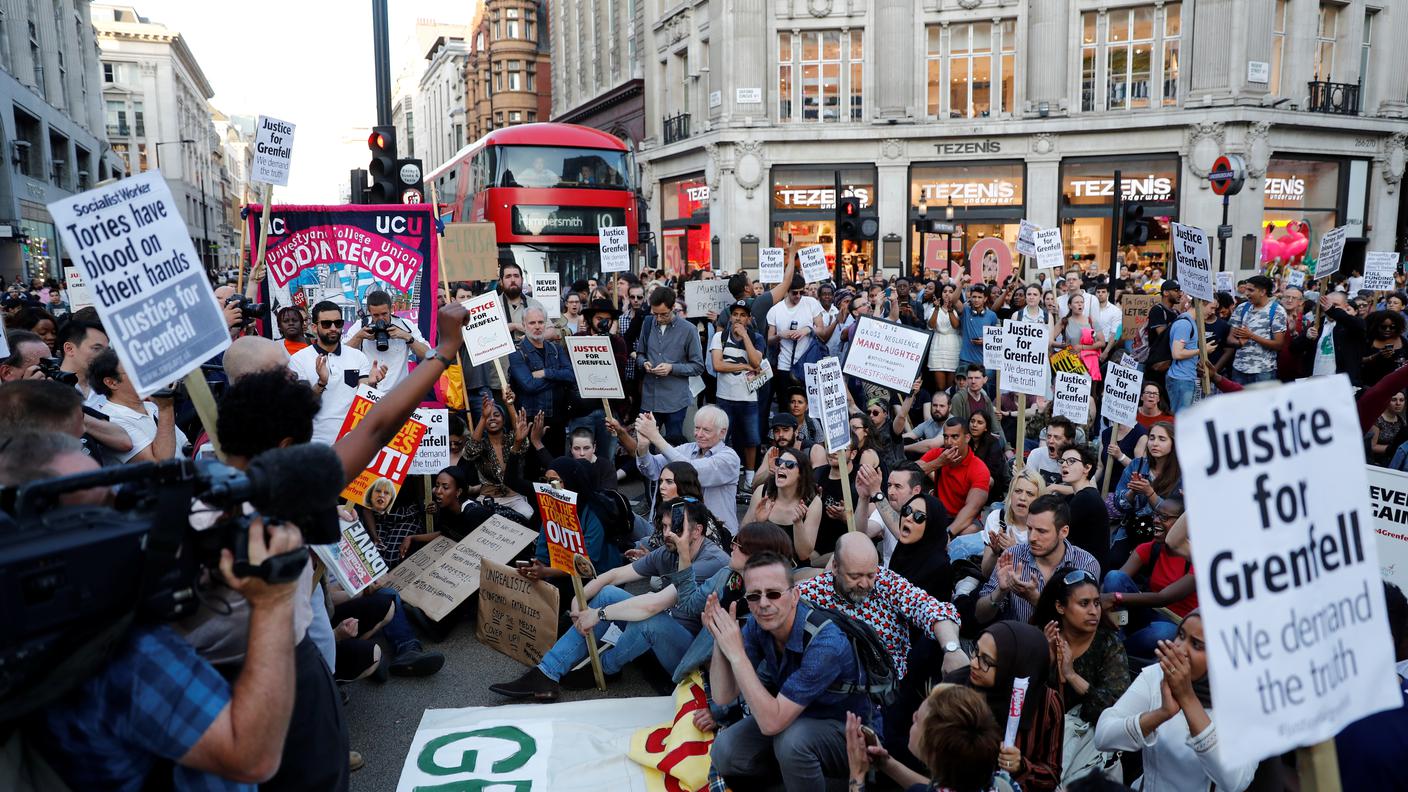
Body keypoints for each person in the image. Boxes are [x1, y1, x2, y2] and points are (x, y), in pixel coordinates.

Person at [27, 507, 305, 789]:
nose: (123, 514)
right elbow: (252, 758)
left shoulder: (45, 623)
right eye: (99, 506)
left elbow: (173, 622)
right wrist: (274, 600)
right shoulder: (130, 653)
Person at [490, 499, 730, 700]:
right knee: (606, 594)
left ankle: (604, 669)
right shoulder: (670, 549)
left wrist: (598, 614)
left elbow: (653, 604)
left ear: (697, 531)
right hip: (664, 628)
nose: (667, 534)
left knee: (647, 619)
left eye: (674, 528)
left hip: (690, 655)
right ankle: (546, 673)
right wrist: (579, 601)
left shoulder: (711, 562)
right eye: (664, 526)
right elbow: (615, 575)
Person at [703, 551, 877, 792]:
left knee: (792, 742)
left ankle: (841, 784)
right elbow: (723, 696)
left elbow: (771, 724)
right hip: (797, 718)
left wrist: (737, 654)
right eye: (754, 596)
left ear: (794, 596)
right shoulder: (758, 624)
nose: (764, 603)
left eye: (773, 594)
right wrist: (720, 637)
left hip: (848, 734)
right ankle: (795, 778)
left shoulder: (826, 643)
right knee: (725, 750)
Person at [1095, 612, 1256, 791]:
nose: (1179, 648)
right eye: (1181, 635)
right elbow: (1103, 736)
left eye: (1196, 644)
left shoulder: (1244, 701)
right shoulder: (1158, 675)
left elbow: (1235, 782)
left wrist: (1187, 698)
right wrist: (1161, 714)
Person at [1032, 569, 1130, 784]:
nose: (1094, 611)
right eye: (1084, 604)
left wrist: (1072, 675)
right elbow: (1021, 695)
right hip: (1041, 735)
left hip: (1089, 740)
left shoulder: (1107, 644)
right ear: (1060, 607)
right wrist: (1045, 660)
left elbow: (1117, 708)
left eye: (1096, 603)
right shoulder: (1041, 636)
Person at [943, 621, 1064, 792]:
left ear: (1015, 667)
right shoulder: (955, 688)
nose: (974, 664)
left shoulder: (1046, 702)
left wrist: (1021, 766)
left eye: (986, 661)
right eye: (975, 651)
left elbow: (1052, 776)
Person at [845, 684, 1017, 792]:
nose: (913, 716)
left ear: (933, 753)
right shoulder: (1002, 784)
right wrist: (886, 764)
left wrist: (857, 776)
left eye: (918, 720)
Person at [976, 495, 1100, 625]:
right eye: (1029, 528)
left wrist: (1036, 599)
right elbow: (980, 616)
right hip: (1019, 641)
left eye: (1041, 531)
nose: (1032, 538)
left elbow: (1082, 624)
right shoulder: (1013, 556)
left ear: (1063, 532)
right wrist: (999, 592)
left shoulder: (1085, 564)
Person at [624, 405, 742, 536]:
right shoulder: (688, 448)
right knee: (623, 515)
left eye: (706, 430)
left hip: (716, 534)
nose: (699, 434)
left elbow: (691, 471)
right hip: (679, 529)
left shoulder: (730, 458)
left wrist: (656, 437)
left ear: (723, 432)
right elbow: (652, 470)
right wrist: (643, 446)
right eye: (697, 428)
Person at [1101, 499, 1196, 658]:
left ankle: (1119, 653)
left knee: (1163, 632)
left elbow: (1163, 598)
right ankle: (1117, 636)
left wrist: (1114, 597)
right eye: (1156, 515)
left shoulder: (1195, 558)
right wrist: (1095, 600)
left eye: (1164, 518)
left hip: (1175, 624)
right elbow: (1115, 581)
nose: (1156, 521)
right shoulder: (1152, 548)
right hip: (1143, 615)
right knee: (1114, 576)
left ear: (1181, 525)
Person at [289, 300, 380, 444]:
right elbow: (301, 406)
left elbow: (364, 397)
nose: (333, 328)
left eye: (338, 323)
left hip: (352, 440)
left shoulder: (357, 356)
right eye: (326, 324)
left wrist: (373, 384)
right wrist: (321, 382)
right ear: (314, 327)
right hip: (315, 442)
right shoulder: (299, 359)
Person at [89, 348, 185, 462]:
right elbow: (161, 464)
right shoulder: (111, 420)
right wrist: (165, 409)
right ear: (112, 382)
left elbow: (186, 447)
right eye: (135, 371)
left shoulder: (152, 406)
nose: (145, 375)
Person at [636, 287, 706, 441]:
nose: (659, 318)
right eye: (655, 314)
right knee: (644, 444)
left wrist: (672, 368)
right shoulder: (647, 324)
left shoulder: (689, 330)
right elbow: (640, 354)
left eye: (664, 314)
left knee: (673, 446)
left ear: (673, 307)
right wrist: (644, 363)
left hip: (675, 401)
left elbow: (698, 366)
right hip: (649, 399)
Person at [919, 417, 991, 560]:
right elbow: (908, 473)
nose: (949, 442)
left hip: (964, 520)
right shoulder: (939, 455)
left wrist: (948, 534)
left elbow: (972, 508)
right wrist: (937, 463)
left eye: (955, 437)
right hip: (939, 514)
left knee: (970, 531)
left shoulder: (979, 468)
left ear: (967, 438)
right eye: (946, 437)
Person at [710, 299, 766, 479]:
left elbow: (756, 362)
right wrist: (743, 366)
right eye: (735, 315)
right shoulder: (719, 337)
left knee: (751, 440)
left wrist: (746, 337)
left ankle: (750, 478)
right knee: (722, 438)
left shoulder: (757, 338)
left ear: (749, 319)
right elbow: (717, 365)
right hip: (724, 398)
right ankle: (722, 473)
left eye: (743, 315)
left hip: (748, 398)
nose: (738, 319)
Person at [507, 306, 574, 454]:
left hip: (557, 420)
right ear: (524, 326)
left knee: (557, 466)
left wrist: (546, 372)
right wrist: (558, 377)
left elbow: (571, 376)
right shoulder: (517, 353)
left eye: (540, 322)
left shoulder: (556, 348)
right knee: (533, 468)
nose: (537, 326)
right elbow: (529, 385)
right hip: (531, 420)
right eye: (532, 323)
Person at [742, 445, 821, 565]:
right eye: (779, 462)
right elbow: (742, 537)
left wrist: (798, 523)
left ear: (801, 473)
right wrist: (758, 523)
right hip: (761, 563)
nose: (782, 466)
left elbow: (804, 554)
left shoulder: (812, 503)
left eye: (789, 464)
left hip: (794, 569)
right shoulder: (762, 492)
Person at [344, 290, 430, 393]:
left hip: (397, 394)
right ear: (369, 312)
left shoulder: (406, 326)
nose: (381, 319)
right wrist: (359, 337)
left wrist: (407, 337)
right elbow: (342, 355)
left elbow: (428, 354)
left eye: (384, 314)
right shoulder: (360, 326)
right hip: (368, 392)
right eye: (375, 315)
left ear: (391, 309)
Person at [463, 395, 534, 519]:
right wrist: (483, 417)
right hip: (488, 499)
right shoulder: (481, 444)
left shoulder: (512, 440)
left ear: (503, 419)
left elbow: (522, 439)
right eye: (488, 416)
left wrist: (509, 405)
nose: (492, 419)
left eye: (496, 415)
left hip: (514, 498)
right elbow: (470, 450)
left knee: (528, 514)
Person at [766, 273, 827, 406]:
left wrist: (807, 330)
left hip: (808, 363)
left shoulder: (811, 303)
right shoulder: (775, 310)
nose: (798, 296)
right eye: (794, 293)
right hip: (785, 366)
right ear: (787, 290)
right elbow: (769, 340)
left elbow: (822, 329)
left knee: (809, 407)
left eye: (801, 292)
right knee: (786, 406)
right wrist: (780, 335)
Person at [888, 492, 956, 601]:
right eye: (907, 510)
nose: (909, 518)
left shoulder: (939, 567)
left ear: (932, 525)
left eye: (918, 516)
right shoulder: (903, 547)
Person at [979, 470, 1045, 580]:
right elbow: (986, 573)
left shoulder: (1044, 528)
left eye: (1029, 494)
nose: (1022, 498)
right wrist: (995, 553)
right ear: (1010, 494)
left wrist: (1015, 551)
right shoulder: (997, 518)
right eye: (1018, 491)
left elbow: (1040, 578)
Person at [1223, 274, 1286, 385]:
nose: (1246, 293)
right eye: (1246, 289)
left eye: (1251, 290)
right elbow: (1229, 339)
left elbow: (1279, 344)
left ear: (1262, 292)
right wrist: (1238, 343)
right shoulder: (1242, 308)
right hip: (1239, 369)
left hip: (1264, 371)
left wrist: (1251, 335)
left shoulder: (1277, 311)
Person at [1302, 290, 1367, 384]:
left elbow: (1360, 326)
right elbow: (1295, 348)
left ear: (1346, 306)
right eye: (1327, 304)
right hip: (1315, 382)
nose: (1329, 307)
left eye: (1335, 304)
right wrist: (1306, 337)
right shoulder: (1317, 324)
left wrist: (1332, 311)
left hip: (1341, 384)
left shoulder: (1351, 325)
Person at [1164, 297, 1216, 414]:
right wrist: (1203, 350)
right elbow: (1177, 353)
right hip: (1181, 379)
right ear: (1201, 303)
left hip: (1185, 378)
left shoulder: (1191, 322)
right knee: (1180, 421)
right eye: (1211, 307)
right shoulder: (1184, 323)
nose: (1213, 312)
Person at [1060, 445, 1110, 559]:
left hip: (1088, 569)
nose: (1063, 464)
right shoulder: (1078, 496)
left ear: (1087, 468)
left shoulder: (1086, 498)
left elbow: (1058, 532)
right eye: (1062, 461)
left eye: (1071, 461)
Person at [56, 319, 109, 405]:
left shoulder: (110, 386)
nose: (105, 355)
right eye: (97, 348)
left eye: (107, 350)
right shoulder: (50, 389)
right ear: (69, 349)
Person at [1143, 280, 1183, 384]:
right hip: (1157, 363)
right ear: (1165, 293)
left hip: (1169, 364)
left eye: (1180, 291)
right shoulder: (1157, 310)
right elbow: (1163, 335)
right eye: (1176, 290)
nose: (1180, 294)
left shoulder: (1176, 313)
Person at [927, 282, 962, 393]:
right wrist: (937, 308)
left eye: (951, 292)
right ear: (941, 294)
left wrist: (950, 309)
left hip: (953, 346)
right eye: (945, 291)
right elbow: (931, 326)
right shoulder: (933, 309)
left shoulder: (959, 310)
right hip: (938, 346)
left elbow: (955, 325)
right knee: (940, 388)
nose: (947, 294)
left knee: (951, 388)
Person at [958, 285, 999, 382]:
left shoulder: (992, 316)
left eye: (980, 297)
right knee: (964, 391)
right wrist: (962, 282)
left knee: (985, 394)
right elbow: (954, 300)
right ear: (970, 298)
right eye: (974, 297)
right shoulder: (965, 311)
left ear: (985, 299)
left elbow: (997, 338)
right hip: (966, 360)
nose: (976, 300)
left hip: (986, 362)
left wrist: (986, 341)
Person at [1361, 309, 1408, 386]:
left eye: (1392, 327)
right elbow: (1357, 361)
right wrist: (1376, 356)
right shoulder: (1368, 340)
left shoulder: (1403, 341)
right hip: (1372, 385)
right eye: (1383, 327)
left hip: (1396, 387)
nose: (1388, 330)